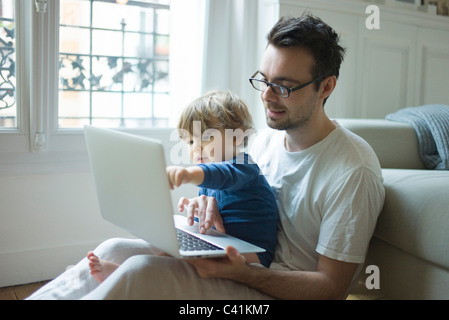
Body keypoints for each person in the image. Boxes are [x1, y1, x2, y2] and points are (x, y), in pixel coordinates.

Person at [28, 14, 384, 300]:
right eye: (264, 80)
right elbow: (232, 191)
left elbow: (331, 289)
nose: (268, 96)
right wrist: (205, 206)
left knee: (139, 272)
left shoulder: (353, 171)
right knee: (115, 248)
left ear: (326, 87)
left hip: (269, 289)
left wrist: (242, 272)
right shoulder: (265, 143)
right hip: (238, 263)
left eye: (285, 86)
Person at [87, 90, 278, 283]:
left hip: (254, 255)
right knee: (175, 251)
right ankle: (123, 274)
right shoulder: (207, 183)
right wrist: (194, 219)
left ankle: (123, 276)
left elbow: (223, 175)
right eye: (190, 141)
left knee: (175, 261)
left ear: (236, 138)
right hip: (226, 243)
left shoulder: (245, 166)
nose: (195, 147)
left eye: (205, 137)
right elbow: (211, 221)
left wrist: (188, 174)